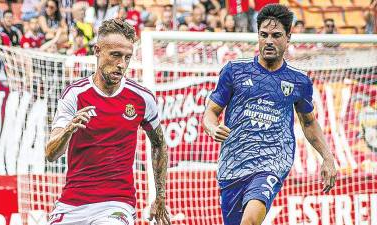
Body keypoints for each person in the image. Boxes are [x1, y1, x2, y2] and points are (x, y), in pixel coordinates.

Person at [202, 4, 337, 225]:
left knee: (250, 221)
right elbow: (211, 112)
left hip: (272, 162)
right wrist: (212, 127)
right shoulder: (234, 70)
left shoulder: (298, 81)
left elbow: (309, 122)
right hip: (233, 165)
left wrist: (328, 158)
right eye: (264, 35)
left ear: (288, 37)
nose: (269, 41)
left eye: (276, 35)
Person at [45, 19, 170, 225]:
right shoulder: (75, 95)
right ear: (97, 51)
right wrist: (68, 129)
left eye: (127, 57)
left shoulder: (142, 98)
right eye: (115, 55)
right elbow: (51, 154)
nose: (121, 64)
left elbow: (159, 144)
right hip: (72, 203)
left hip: (116, 203)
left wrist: (160, 196)